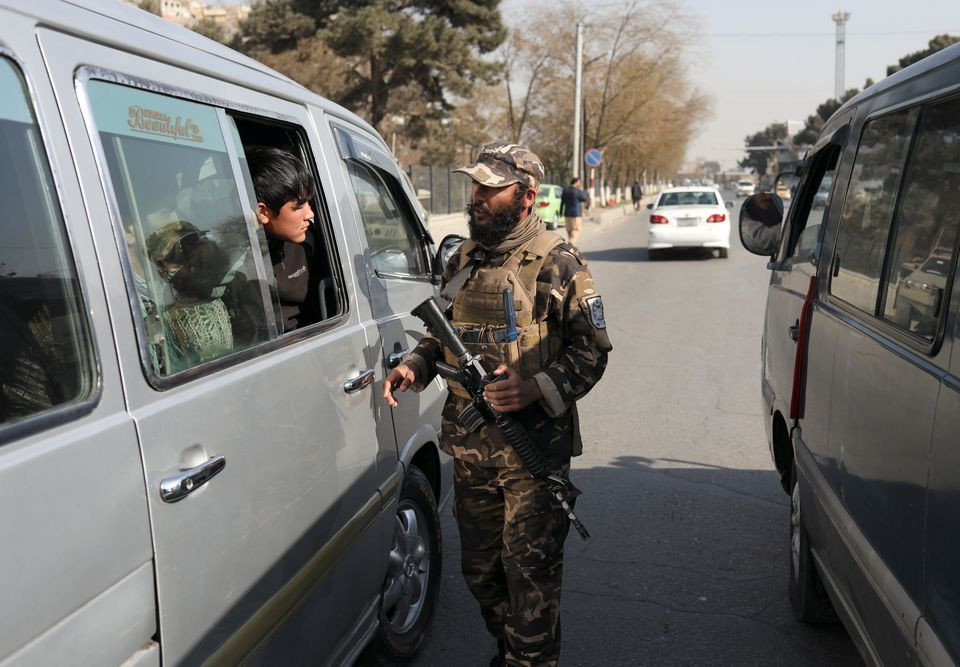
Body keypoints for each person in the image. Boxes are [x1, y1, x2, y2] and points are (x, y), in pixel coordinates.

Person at [383, 142, 612, 666]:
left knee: (530, 580)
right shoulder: (464, 258)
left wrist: (534, 387)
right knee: (481, 573)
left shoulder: (559, 261)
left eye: (491, 188)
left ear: (526, 196)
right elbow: (438, 334)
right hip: (470, 449)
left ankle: (527, 660)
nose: (478, 197)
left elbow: (592, 352)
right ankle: (513, 651)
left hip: (532, 452)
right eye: (476, 186)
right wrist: (416, 365)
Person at [246, 146, 322, 332]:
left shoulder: (310, 242)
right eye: (298, 207)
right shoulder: (239, 262)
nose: (310, 214)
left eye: (308, 203)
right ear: (262, 212)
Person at [559, 177, 589, 246]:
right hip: (576, 215)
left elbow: (562, 203)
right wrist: (583, 192)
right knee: (577, 230)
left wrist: (561, 212)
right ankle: (571, 244)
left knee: (570, 231)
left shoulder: (565, 190)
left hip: (567, 214)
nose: (580, 183)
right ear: (576, 182)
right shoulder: (577, 191)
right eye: (579, 182)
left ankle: (572, 248)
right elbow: (584, 199)